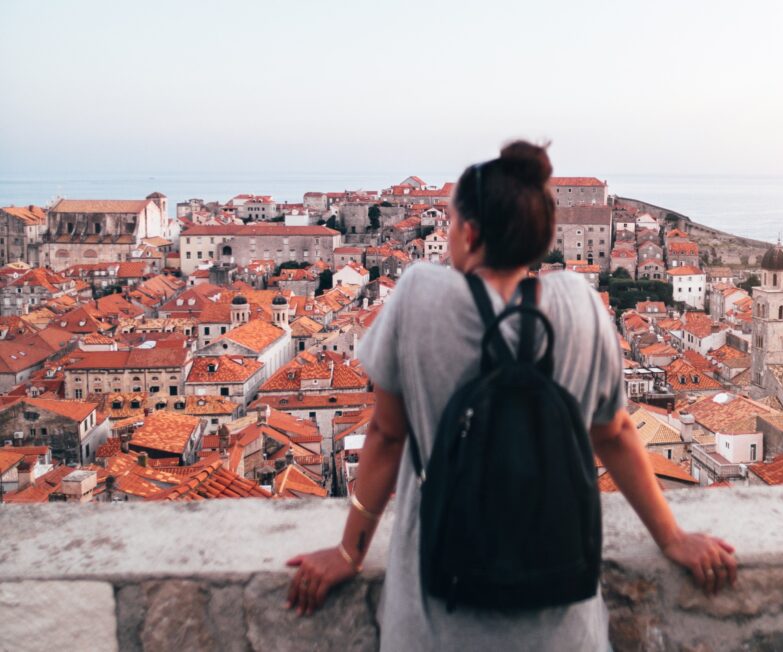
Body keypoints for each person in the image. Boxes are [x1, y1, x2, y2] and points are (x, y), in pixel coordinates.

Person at [284, 141, 738, 650]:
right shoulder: (580, 304)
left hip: (438, 619)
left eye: (450, 224)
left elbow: (387, 436)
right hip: (560, 621)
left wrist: (349, 553)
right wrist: (672, 538)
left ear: (469, 233)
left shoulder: (419, 296)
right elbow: (614, 433)